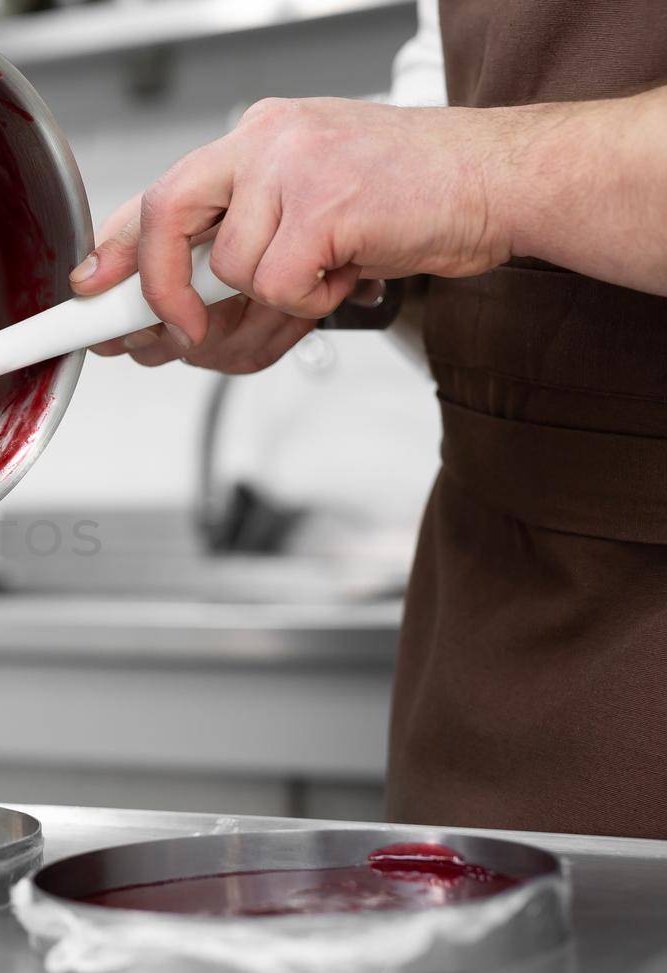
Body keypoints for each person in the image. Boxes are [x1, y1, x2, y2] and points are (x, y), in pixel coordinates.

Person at [73, 0, 667, 838]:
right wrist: (353, 265)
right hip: (479, 639)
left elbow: (472, 170)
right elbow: (468, 181)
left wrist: (476, 173)